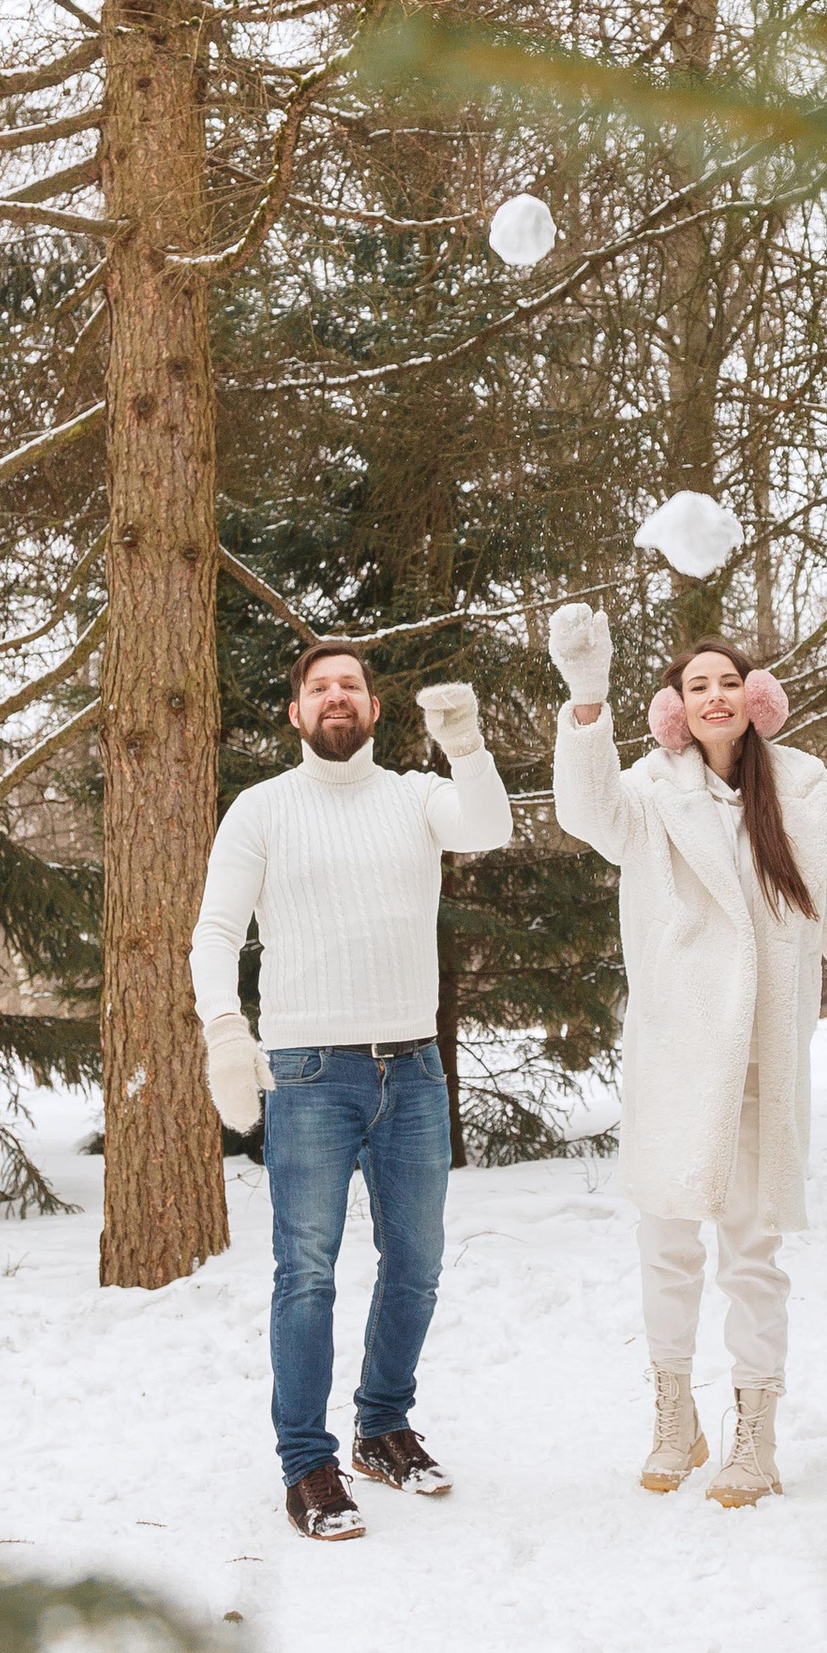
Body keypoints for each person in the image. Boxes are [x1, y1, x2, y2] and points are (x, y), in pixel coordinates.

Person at [549, 606, 827, 1505]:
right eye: (698, 686)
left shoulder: (805, 797)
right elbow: (585, 811)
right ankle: (673, 1417)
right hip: (675, 1065)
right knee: (665, 1252)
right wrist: (584, 700)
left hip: (763, 1069)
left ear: (755, 699)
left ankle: (755, 1436)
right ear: (676, 710)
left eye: (729, 682)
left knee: (751, 1258)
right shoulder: (648, 796)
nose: (716, 696)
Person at [190, 640, 511, 1541]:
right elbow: (215, 931)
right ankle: (308, 1464)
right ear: (295, 714)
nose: (337, 697)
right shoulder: (260, 810)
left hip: (412, 1069)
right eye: (319, 687)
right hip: (307, 1074)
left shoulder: (416, 795)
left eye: (352, 686)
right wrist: (224, 1027)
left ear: (374, 710)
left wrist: (468, 747)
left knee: (415, 1266)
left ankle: (382, 1427)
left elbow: (487, 827)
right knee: (308, 1276)